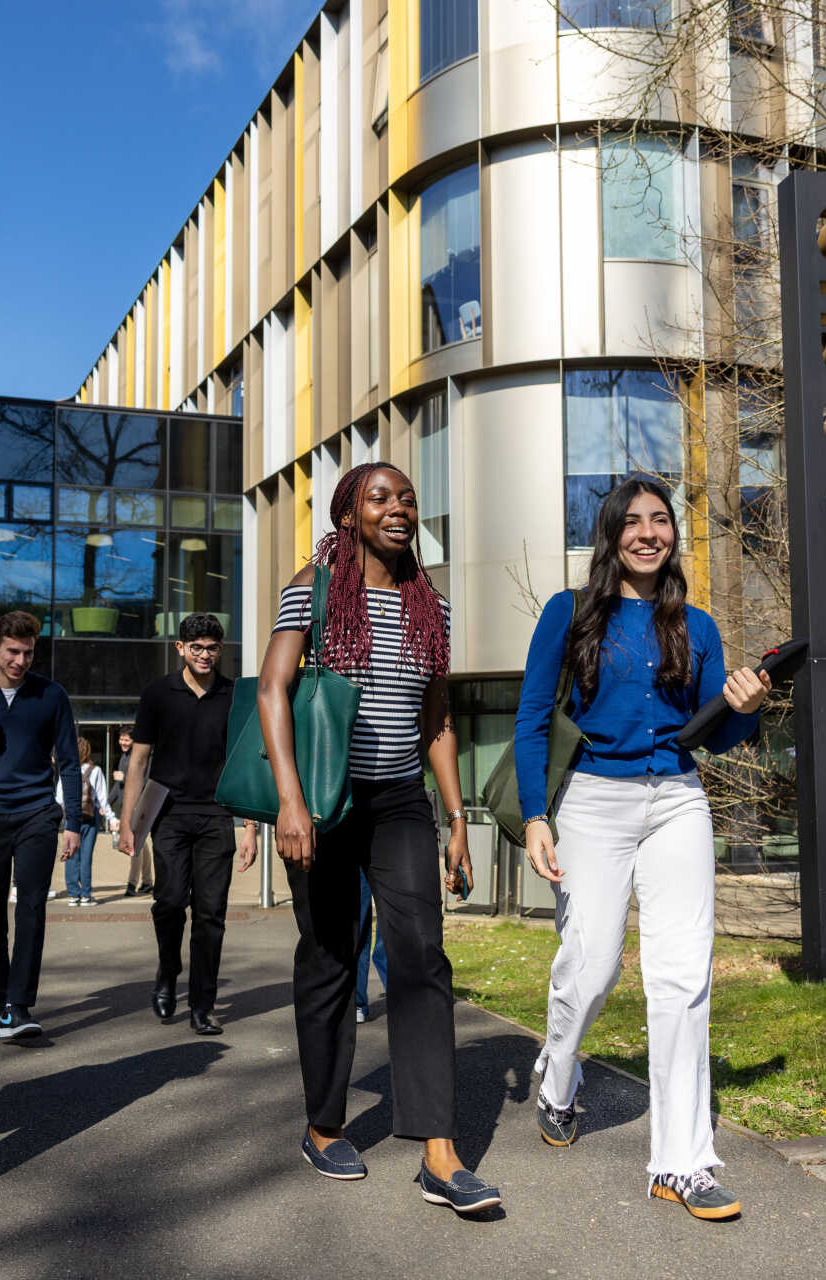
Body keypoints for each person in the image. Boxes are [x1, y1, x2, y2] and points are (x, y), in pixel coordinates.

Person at [514, 474, 770, 1223]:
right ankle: (558, 1074)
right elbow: (533, 719)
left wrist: (745, 708)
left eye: (660, 521)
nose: (648, 533)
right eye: (633, 522)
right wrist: (536, 816)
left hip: (678, 800)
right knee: (589, 967)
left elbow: (714, 734)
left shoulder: (698, 627)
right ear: (611, 535)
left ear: (673, 535)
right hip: (592, 801)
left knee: (684, 973)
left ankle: (683, 1164)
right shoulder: (569, 615)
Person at [257, 461, 500, 1216]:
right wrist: (290, 804)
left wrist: (458, 818)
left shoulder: (434, 610)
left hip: (399, 801)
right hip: (327, 800)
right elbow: (272, 689)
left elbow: (437, 722)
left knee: (422, 956)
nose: (398, 508)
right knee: (332, 954)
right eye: (380, 497)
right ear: (349, 512)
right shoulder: (317, 588)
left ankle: (438, 1150)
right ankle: (325, 1123)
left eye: (407, 499)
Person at [118, 613, 259, 1035]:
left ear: (221, 649)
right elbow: (139, 760)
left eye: (212, 647)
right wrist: (129, 824)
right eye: (195, 647)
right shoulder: (158, 693)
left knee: (211, 914)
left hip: (218, 816)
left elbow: (245, 762)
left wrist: (249, 827)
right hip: (170, 815)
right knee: (170, 902)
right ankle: (167, 971)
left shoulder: (234, 696)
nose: (204, 654)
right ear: (180, 648)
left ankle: (203, 1004)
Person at [0, 610, 82, 1042]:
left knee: (32, 909)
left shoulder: (51, 695)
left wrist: (72, 821)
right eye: (13, 651)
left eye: (28, 652)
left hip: (37, 814)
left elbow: (70, 762)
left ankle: (19, 1008)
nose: (20, 660)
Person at [62, 736, 111, 906]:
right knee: (85, 856)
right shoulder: (95, 771)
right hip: (90, 818)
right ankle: (86, 896)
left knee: (70, 855)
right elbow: (101, 799)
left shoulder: (67, 769)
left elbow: (60, 797)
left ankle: (73, 895)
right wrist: (111, 817)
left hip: (71, 818)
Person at [111, 725, 154, 896]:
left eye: (126, 739)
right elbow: (118, 785)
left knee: (134, 844)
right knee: (142, 845)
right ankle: (148, 882)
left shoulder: (141, 758)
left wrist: (124, 779)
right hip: (128, 806)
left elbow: (144, 782)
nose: (123, 742)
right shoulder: (124, 757)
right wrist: (106, 804)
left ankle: (132, 883)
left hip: (138, 806)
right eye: (121, 738)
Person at [353, 869, 389, 1024]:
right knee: (357, 927)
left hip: (390, 849)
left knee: (392, 925)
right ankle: (357, 1002)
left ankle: (401, 996)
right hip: (355, 849)